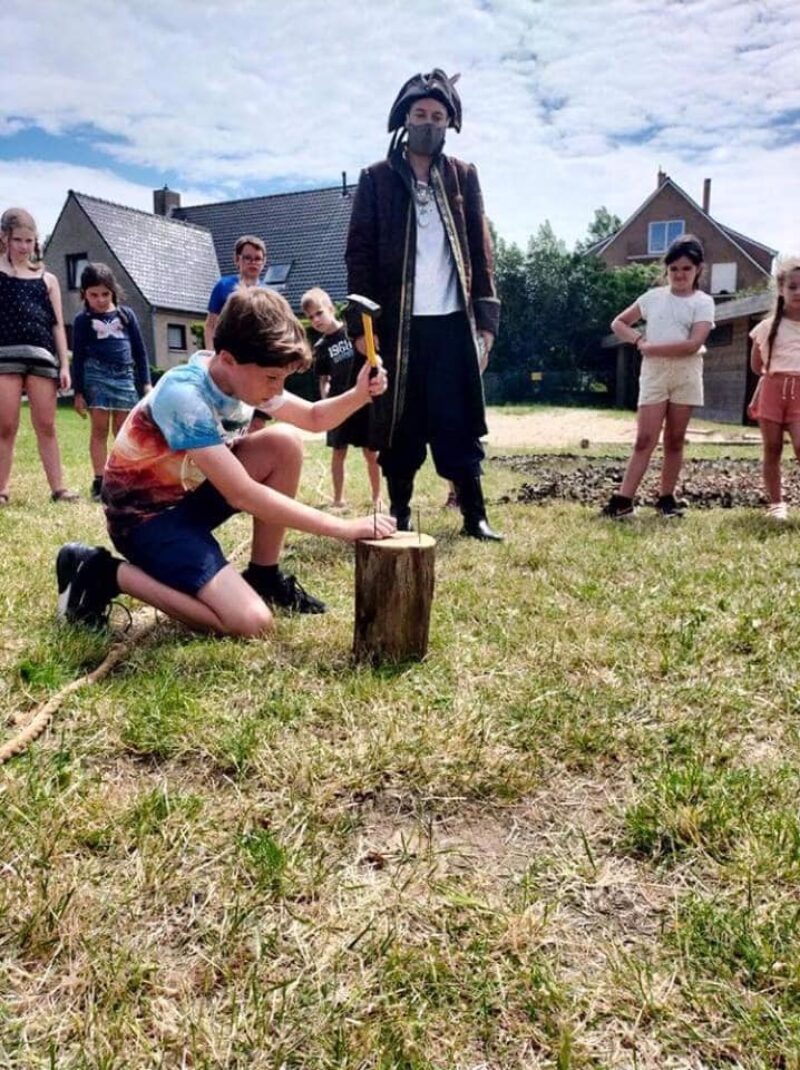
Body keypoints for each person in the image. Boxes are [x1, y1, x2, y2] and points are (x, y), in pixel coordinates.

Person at [55, 287, 395, 636]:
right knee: (251, 623)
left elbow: (312, 418)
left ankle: (264, 575)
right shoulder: (184, 395)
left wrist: (358, 395)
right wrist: (344, 529)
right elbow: (242, 494)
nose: (277, 390)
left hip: (187, 501)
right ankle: (101, 572)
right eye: (273, 379)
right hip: (145, 522)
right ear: (229, 359)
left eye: (282, 379)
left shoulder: (245, 378)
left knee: (284, 444)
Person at [345, 68, 503, 541]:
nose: (429, 122)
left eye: (438, 115)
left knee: (457, 418)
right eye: (421, 114)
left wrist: (487, 320)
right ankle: (400, 512)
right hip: (397, 325)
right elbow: (359, 252)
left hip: (453, 322)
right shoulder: (375, 179)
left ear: (449, 123)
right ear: (404, 118)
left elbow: (481, 248)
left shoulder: (463, 176)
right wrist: (359, 324)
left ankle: (474, 514)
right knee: (401, 421)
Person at [602, 235, 715, 519]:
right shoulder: (652, 298)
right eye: (674, 268)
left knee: (675, 439)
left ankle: (666, 498)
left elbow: (693, 343)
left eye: (686, 268)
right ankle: (623, 500)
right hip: (654, 374)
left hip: (686, 374)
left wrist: (653, 347)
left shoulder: (703, 302)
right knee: (645, 439)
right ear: (666, 270)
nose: (679, 274)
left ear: (698, 269)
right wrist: (639, 341)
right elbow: (619, 323)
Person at [0, 207, 78, 505]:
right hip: (5, 356)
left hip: (42, 357)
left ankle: (59, 488)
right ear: (4, 237)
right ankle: (2, 489)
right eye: (17, 239)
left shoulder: (48, 280)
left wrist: (64, 363)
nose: (23, 246)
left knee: (46, 424)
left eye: (29, 240)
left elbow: (58, 324)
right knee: (6, 425)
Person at [72, 263, 152, 501]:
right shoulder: (83, 321)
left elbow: (140, 352)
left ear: (113, 292)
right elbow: (78, 357)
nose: (100, 300)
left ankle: (123, 478)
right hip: (96, 374)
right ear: (84, 294)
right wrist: (78, 392)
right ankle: (99, 480)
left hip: (125, 376)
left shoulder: (126, 316)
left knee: (123, 430)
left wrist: (145, 383)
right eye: (93, 295)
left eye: (105, 294)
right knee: (99, 428)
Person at [302, 287, 382, 509]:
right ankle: (338, 499)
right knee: (338, 452)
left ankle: (377, 498)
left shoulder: (351, 331)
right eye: (310, 317)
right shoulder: (321, 347)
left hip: (363, 401)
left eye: (319, 313)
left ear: (330, 309)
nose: (316, 320)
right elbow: (323, 378)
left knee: (371, 452)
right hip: (338, 404)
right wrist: (325, 398)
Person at [748, 254, 800, 520]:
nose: (798, 292)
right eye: (792, 287)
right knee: (773, 448)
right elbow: (757, 366)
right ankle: (776, 504)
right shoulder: (767, 327)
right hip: (772, 392)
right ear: (781, 289)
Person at [204, 234, 268, 349]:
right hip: (228, 352)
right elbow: (211, 325)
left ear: (264, 262)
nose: (253, 262)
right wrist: (211, 353)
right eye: (248, 258)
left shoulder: (269, 294)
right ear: (237, 259)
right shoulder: (223, 286)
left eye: (258, 259)